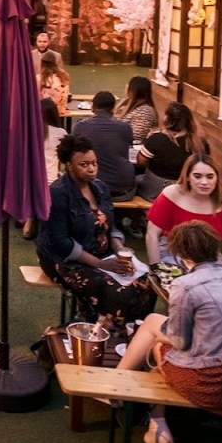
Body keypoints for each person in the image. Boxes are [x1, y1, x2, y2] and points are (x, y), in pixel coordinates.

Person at [115, 221, 222, 443]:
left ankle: (126, 397)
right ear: (216, 248)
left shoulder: (186, 284)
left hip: (212, 385)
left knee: (157, 347)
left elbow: (179, 341)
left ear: (181, 255)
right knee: (157, 337)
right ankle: (156, 425)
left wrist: (161, 335)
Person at [37, 133, 156, 327]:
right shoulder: (58, 193)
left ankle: (134, 333)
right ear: (69, 165)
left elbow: (112, 227)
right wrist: (101, 264)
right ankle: (105, 334)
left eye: (94, 163)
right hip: (65, 260)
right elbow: (61, 242)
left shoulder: (100, 188)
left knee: (146, 282)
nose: (92, 169)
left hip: (101, 254)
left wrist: (119, 249)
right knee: (117, 291)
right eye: (84, 165)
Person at [145, 153, 222, 269]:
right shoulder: (171, 194)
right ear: (188, 177)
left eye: (210, 177)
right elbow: (152, 234)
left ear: (217, 178)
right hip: (173, 250)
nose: (204, 182)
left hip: (209, 255)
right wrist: (155, 268)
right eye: (197, 176)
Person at [73, 90, 136, 201]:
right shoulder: (125, 127)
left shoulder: (80, 127)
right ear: (113, 109)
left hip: (89, 185)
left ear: (93, 108)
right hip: (120, 188)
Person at [137, 101, 206, 201]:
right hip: (187, 187)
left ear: (167, 119)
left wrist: (149, 141)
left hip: (159, 188)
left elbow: (140, 161)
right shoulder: (200, 143)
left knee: (136, 180)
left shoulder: (158, 139)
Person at [24, 98, 67, 240]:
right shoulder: (60, 133)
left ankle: (30, 216)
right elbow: (66, 161)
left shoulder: (27, 132)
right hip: (50, 182)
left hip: (26, 183)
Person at [115, 75, 158, 144]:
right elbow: (113, 118)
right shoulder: (129, 107)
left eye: (128, 87)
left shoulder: (145, 111)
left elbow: (137, 136)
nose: (126, 87)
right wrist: (124, 100)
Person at [38, 52, 71, 117]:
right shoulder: (64, 76)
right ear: (56, 63)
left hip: (43, 111)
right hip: (60, 110)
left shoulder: (39, 78)